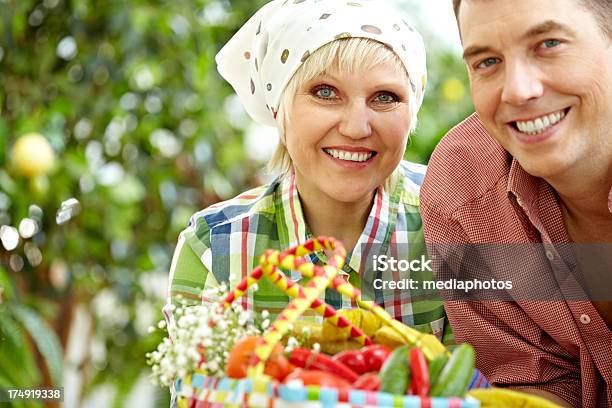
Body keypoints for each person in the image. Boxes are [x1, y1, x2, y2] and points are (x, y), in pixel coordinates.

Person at [164, 0, 451, 343]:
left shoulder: (458, 219)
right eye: (325, 92)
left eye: (385, 97)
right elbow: (201, 394)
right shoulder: (214, 248)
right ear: (278, 109)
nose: (357, 127)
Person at [420, 0, 612, 407]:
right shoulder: (461, 188)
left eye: (549, 44)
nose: (519, 91)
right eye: (487, 62)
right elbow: (536, 382)